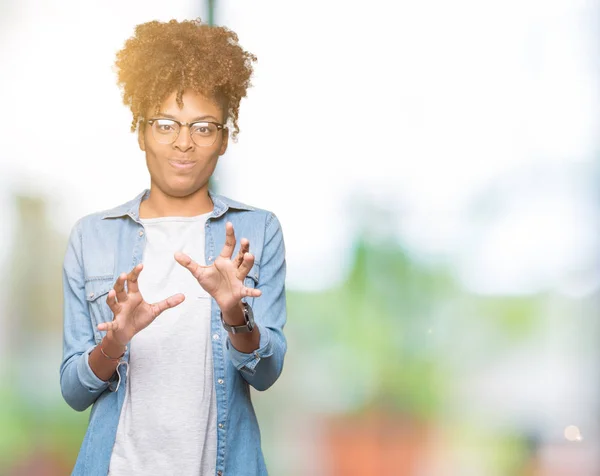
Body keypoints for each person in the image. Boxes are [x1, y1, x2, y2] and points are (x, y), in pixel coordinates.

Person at [59, 18, 287, 476]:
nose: (184, 143)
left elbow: (264, 375)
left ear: (224, 138)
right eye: (166, 124)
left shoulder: (258, 231)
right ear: (141, 130)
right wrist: (116, 342)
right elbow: (74, 390)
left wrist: (234, 315)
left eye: (203, 127)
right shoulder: (92, 237)